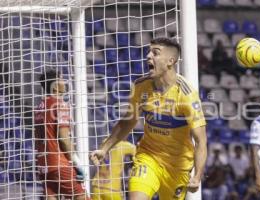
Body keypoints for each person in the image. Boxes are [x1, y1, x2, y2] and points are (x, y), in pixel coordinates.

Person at [90, 37, 207, 200]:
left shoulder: (187, 95)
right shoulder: (140, 86)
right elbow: (128, 121)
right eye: (148, 51)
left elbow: (200, 140)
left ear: (170, 61)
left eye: (155, 53)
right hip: (148, 157)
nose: (148, 56)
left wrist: (197, 176)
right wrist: (105, 148)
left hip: (177, 167)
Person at [35, 70, 89, 200]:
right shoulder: (59, 104)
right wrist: (78, 163)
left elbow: (37, 139)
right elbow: (63, 138)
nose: (65, 82)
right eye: (62, 79)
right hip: (59, 164)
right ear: (55, 86)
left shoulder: (38, 108)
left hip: (43, 165)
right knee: (81, 196)